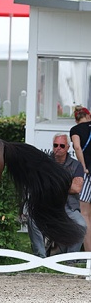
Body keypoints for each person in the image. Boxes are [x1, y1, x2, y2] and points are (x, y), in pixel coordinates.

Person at [27, 133, 86, 260]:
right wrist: (65, 184)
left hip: (68, 207)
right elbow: (38, 184)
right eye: (55, 145)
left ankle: (71, 259)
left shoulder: (76, 165)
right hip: (46, 206)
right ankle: (40, 257)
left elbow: (76, 188)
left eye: (61, 145)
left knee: (81, 225)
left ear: (68, 148)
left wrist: (52, 184)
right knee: (32, 219)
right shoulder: (43, 163)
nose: (58, 148)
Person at [70, 105, 91, 252]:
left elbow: (77, 147)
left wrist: (83, 166)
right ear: (88, 116)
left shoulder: (76, 130)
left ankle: (89, 255)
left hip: (88, 174)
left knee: (84, 213)